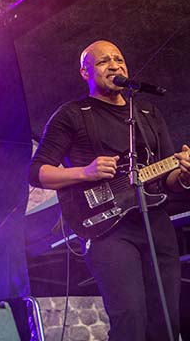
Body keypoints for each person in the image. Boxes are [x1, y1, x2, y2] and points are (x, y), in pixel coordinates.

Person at [30, 40, 190, 341]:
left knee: (166, 320)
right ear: (85, 72)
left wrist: (184, 176)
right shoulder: (73, 114)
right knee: (129, 317)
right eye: (104, 61)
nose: (115, 65)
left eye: (119, 59)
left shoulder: (147, 112)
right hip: (107, 230)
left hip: (155, 224)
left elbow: (168, 178)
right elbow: (37, 172)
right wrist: (85, 172)